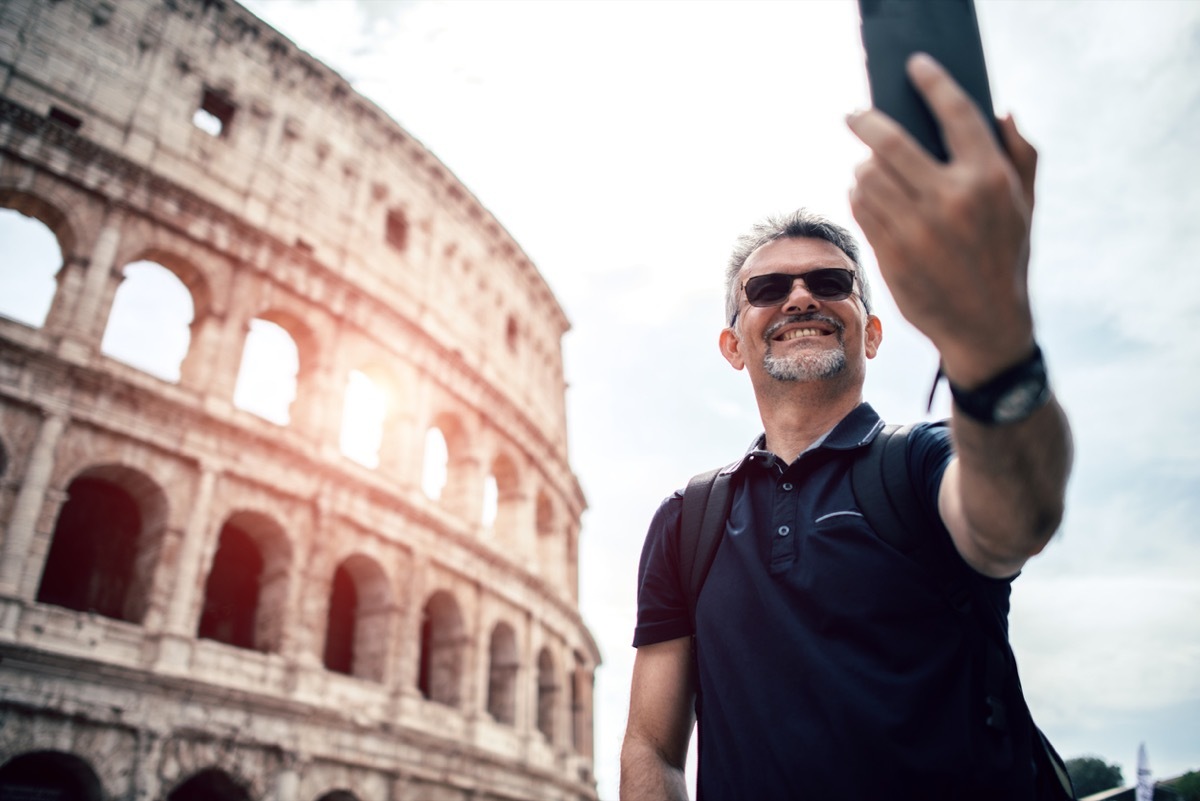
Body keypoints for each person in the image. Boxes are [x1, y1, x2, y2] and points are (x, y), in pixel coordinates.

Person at [619, 53, 1073, 800]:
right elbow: (652, 744)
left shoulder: (928, 462)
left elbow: (1017, 516)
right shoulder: (686, 521)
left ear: (871, 332)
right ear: (734, 343)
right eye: (767, 289)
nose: (800, 297)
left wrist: (992, 339)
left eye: (831, 283)